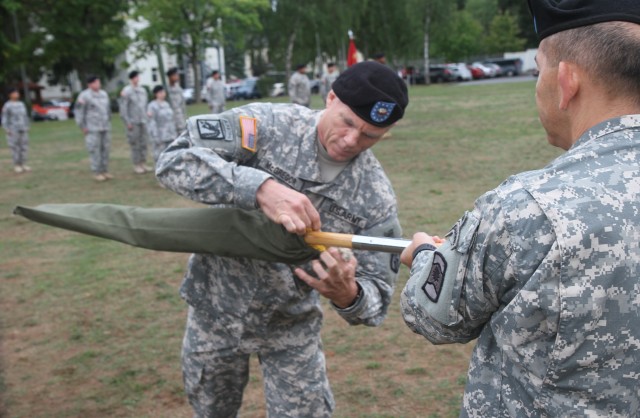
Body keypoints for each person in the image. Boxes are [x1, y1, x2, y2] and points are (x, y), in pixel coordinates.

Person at [399, 1, 640, 416]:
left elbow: (434, 315)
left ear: (566, 81)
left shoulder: (531, 208)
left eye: (538, 69)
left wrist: (425, 257)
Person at [156, 61, 408, 417]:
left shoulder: (375, 197)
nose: (352, 141)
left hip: (289, 326)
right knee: (211, 409)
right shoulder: (267, 125)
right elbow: (173, 160)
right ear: (330, 97)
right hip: (215, 311)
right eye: (348, 123)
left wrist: (347, 294)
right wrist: (258, 188)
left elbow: (377, 300)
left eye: (370, 136)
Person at [74, 75, 113, 181]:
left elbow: (108, 110)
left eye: (98, 82)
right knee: (95, 150)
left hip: (105, 126)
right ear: (90, 84)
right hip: (92, 128)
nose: (98, 84)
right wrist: (82, 126)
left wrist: (109, 121)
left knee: (105, 149)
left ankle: (105, 170)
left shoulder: (103, 94)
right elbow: (79, 112)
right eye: (95, 82)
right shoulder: (84, 96)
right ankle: (97, 172)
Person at [119, 70, 151, 174]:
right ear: (131, 79)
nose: (137, 79)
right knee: (135, 143)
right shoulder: (126, 91)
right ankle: (136, 164)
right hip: (133, 122)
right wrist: (127, 121)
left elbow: (145, 106)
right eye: (135, 77)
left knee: (144, 143)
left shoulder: (142, 90)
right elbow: (123, 108)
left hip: (143, 120)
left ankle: (143, 163)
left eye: (138, 77)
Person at [1, 87, 31, 174]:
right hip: (13, 129)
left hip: (23, 128)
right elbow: (5, 118)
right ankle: (17, 165)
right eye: (15, 93)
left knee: (24, 146)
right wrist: (6, 128)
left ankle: (24, 164)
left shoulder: (21, 104)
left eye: (17, 92)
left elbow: (25, 116)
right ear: (10, 95)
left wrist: (27, 125)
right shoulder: (7, 105)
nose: (17, 94)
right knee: (15, 147)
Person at [147, 85, 177, 164]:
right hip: (160, 136)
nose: (163, 94)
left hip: (170, 135)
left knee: (171, 155)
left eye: (163, 92)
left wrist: (174, 134)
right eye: (161, 92)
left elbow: (171, 120)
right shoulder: (152, 106)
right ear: (156, 94)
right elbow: (152, 122)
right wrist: (155, 137)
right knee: (159, 156)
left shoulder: (166, 104)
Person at [166, 67, 187, 133]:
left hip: (179, 118)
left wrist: (184, 117)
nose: (177, 77)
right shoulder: (166, 90)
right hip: (169, 119)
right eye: (175, 75)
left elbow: (183, 105)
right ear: (170, 76)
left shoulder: (179, 89)